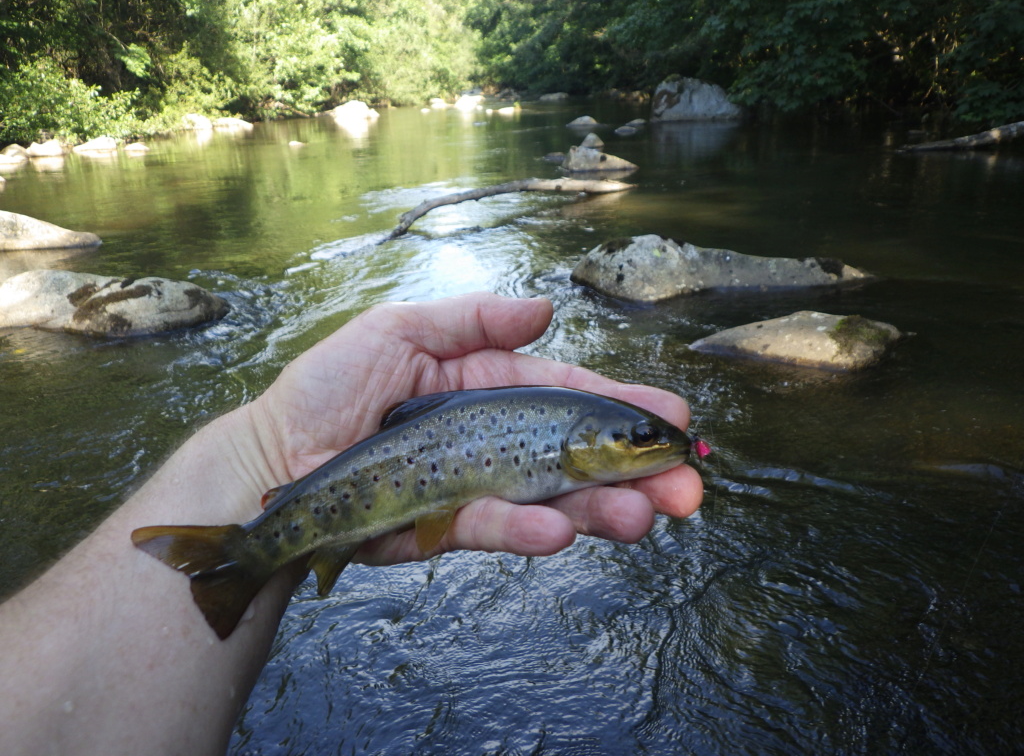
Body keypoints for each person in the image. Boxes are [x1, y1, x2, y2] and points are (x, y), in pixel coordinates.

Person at [0, 292, 703, 755]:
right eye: (639, 441)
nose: (651, 447)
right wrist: (266, 453)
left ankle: (249, 558)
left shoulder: (572, 439)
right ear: (587, 440)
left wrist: (261, 457)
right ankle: (245, 559)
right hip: (357, 487)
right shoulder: (559, 433)